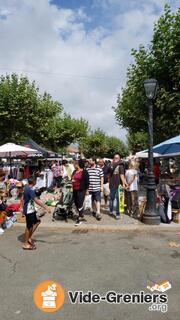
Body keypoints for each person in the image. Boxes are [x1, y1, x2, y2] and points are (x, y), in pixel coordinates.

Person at [22, 177, 50, 250]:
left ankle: (29, 238)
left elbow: (22, 198)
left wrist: (22, 208)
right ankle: (25, 243)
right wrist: (46, 207)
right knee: (29, 227)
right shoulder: (30, 190)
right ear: (34, 182)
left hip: (31, 209)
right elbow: (36, 200)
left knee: (37, 222)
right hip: (29, 210)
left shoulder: (26, 188)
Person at [109, 154, 128, 219]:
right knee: (118, 199)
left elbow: (108, 174)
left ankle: (111, 210)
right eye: (115, 158)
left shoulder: (111, 164)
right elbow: (122, 175)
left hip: (112, 183)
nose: (116, 159)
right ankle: (117, 214)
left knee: (111, 198)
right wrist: (124, 183)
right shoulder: (121, 164)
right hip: (118, 184)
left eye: (116, 158)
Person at [72, 159, 89, 226]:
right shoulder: (74, 171)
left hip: (81, 189)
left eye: (74, 164)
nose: (73, 165)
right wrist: (72, 181)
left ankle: (79, 217)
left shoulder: (85, 172)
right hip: (74, 189)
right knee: (76, 202)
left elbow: (87, 182)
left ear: (77, 165)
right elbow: (72, 178)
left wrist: (87, 190)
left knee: (80, 202)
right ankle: (81, 214)